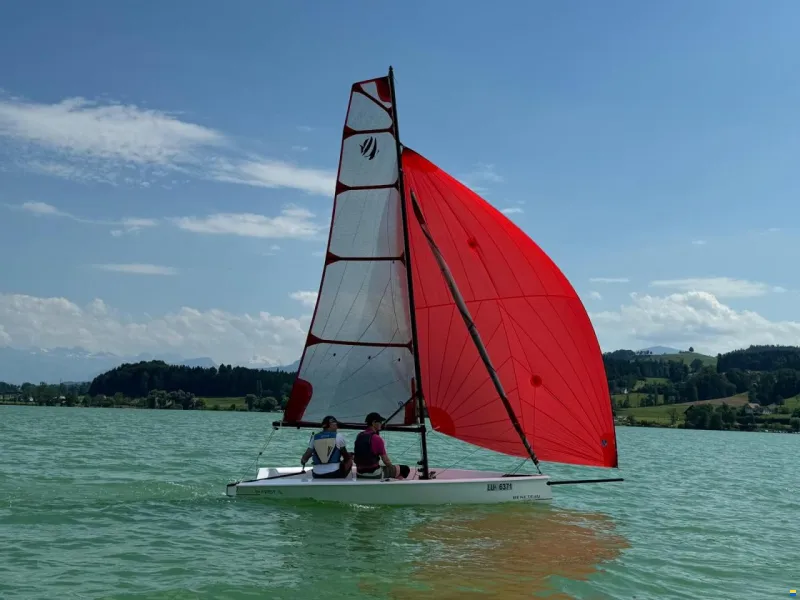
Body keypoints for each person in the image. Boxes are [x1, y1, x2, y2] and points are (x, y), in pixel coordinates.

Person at [354, 412, 411, 480]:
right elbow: (386, 461)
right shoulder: (377, 438)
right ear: (374, 423)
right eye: (380, 422)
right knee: (405, 469)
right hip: (374, 474)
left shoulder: (359, 436)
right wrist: (392, 469)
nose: (381, 424)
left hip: (359, 473)